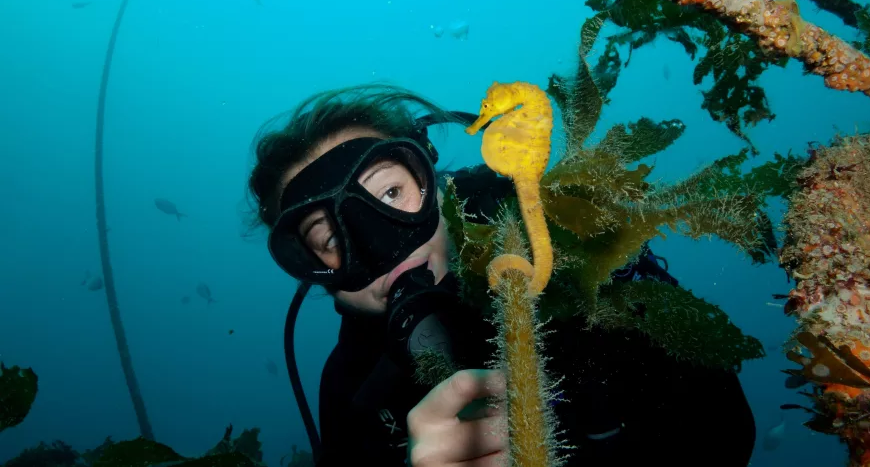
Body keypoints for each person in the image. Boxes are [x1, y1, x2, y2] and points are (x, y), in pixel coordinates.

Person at [247, 84, 757, 466]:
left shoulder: (575, 260)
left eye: (390, 194)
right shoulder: (350, 391)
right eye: (331, 239)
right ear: (313, 274)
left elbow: (729, 432)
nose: (383, 248)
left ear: (439, 186)